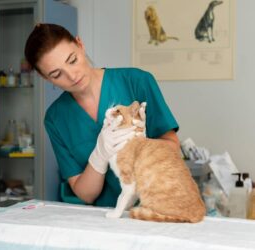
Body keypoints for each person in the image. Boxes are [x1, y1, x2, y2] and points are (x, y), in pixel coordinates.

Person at [24, 23, 180, 207]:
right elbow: (86, 195)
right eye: (57, 74)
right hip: (104, 218)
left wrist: (141, 147)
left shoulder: (136, 82)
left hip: (157, 208)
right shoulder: (56, 118)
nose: (72, 76)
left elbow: (173, 149)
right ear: (45, 78)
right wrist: (100, 155)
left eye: (72, 60)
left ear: (80, 44)